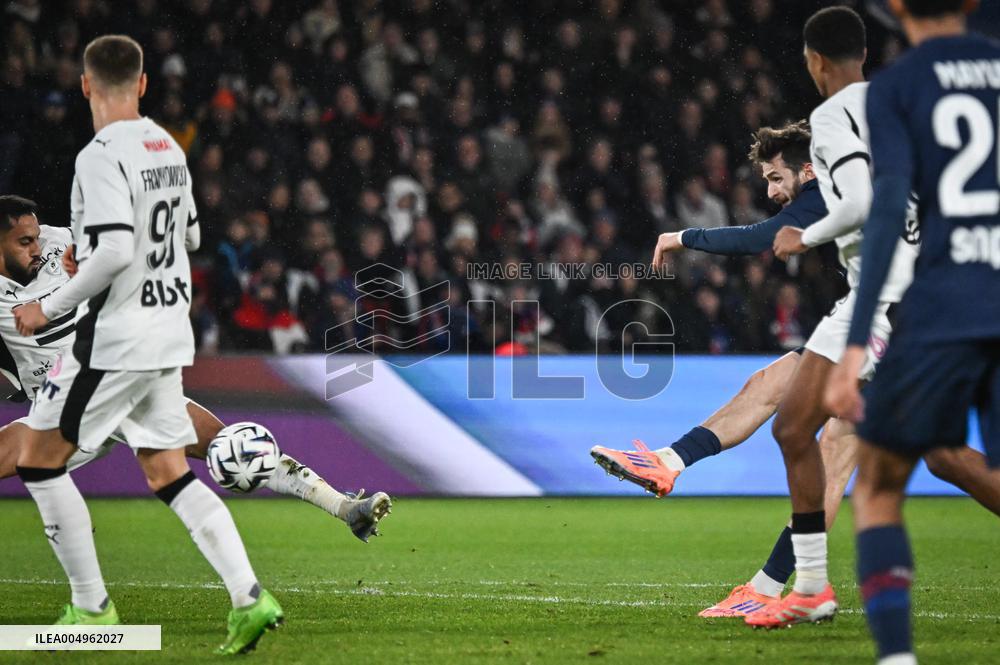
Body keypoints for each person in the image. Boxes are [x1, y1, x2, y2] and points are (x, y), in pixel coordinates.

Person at [592, 121, 1000, 618]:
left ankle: (669, 462)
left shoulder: (827, 183)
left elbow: (761, 237)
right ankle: (768, 586)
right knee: (896, 454)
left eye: (775, 177)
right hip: (922, 312)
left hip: (895, 312)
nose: (771, 191)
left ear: (806, 168)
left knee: (782, 386)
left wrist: (680, 236)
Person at [12, 35, 267, 654]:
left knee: (39, 461)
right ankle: (250, 597)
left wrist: (47, 304)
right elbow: (193, 234)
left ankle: (93, 610)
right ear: (145, 84)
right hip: (168, 328)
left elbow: (120, 250)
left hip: (117, 336)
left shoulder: (100, 155)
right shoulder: (167, 147)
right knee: (167, 468)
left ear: (85, 86)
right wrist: (98, 253)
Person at [0, 195, 392, 543]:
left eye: (37, 236)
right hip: (57, 410)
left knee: (228, 446)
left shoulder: (58, 241)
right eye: (24, 241)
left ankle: (343, 508)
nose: (38, 246)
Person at [825, 1, 1000, 662]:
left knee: (878, 478)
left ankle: (897, 656)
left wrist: (853, 342)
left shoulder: (898, 85)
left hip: (947, 307)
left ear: (896, 7)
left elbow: (888, 208)